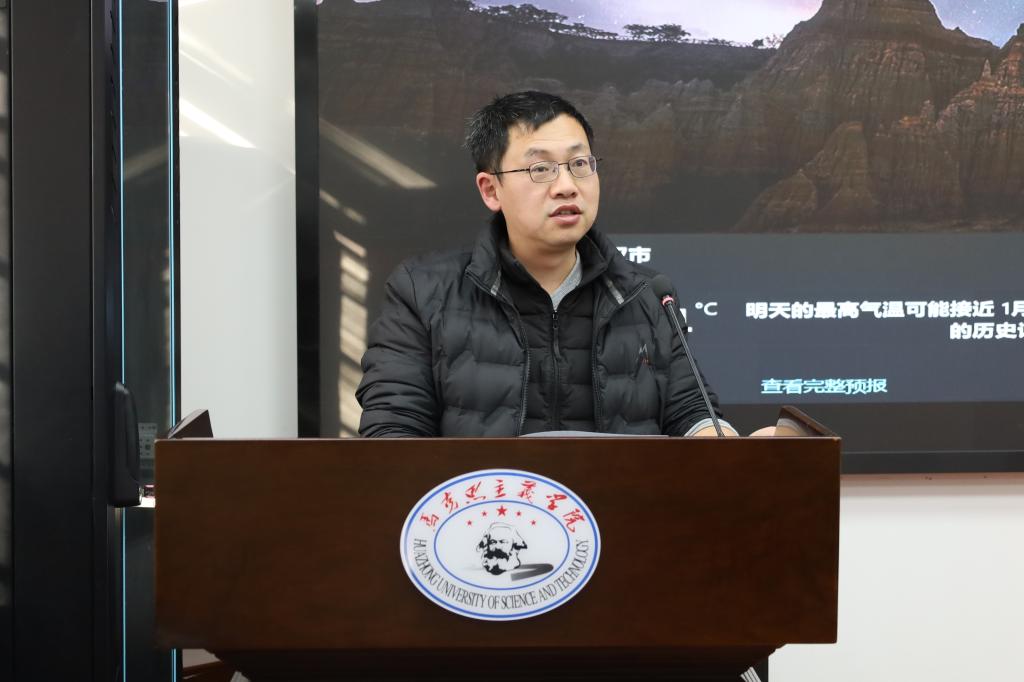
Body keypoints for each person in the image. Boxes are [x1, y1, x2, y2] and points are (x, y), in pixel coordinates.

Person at [357, 91, 738, 438]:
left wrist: (731, 446)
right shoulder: (422, 292)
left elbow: (692, 412)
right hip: (489, 495)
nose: (567, 186)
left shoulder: (647, 295)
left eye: (579, 163)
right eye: (540, 169)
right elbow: (393, 431)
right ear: (491, 190)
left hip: (623, 494)